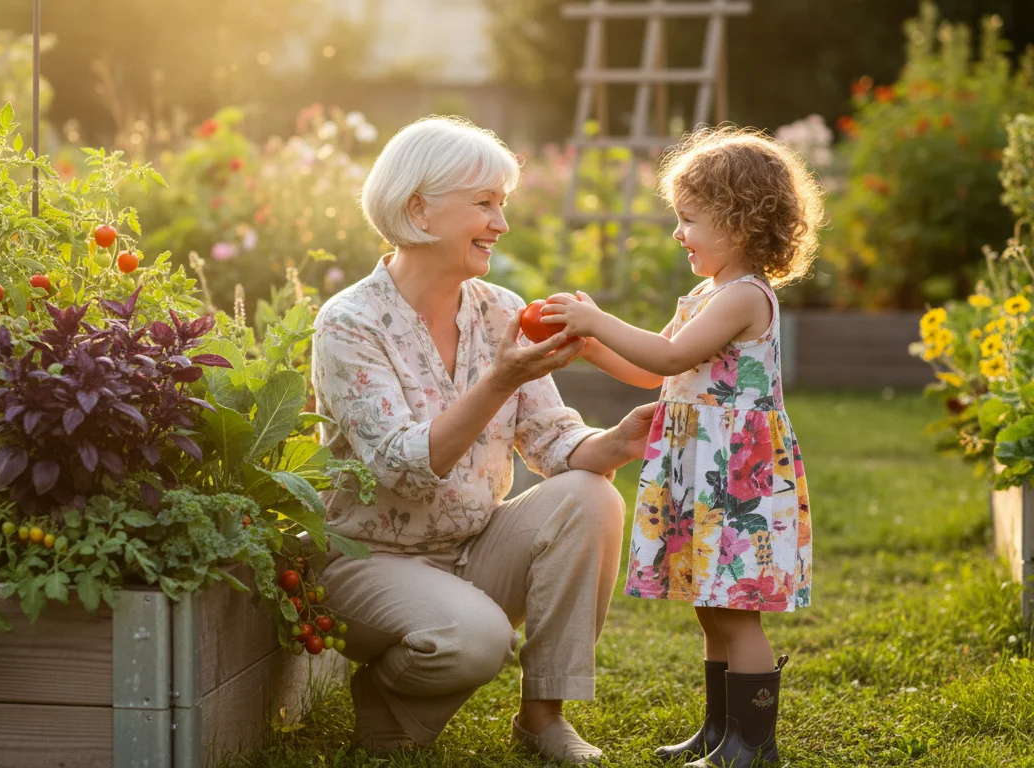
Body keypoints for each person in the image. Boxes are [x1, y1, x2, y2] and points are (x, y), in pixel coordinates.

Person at [311, 115, 656, 765]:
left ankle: (542, 716)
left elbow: (552, 439)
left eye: (503, 204)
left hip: (471, 545)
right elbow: (399, 468)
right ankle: (385, 694)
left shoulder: (500, 309)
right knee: (477, 639)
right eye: (484, 204)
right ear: (419, 208)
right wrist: (499, 381)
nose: (500, 223)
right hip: (369, 558)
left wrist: (617, 441)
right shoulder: (350, 324)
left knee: (593, 496)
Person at [539, 125, 827, 768]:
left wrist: (598, 319)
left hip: (738, 479)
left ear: (739, 223)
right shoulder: (703, 295)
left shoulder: (744, 297)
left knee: (737, 613)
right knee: (710, 607)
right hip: (706, 470)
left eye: (689, 219)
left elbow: (671, 352)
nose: (678, 233)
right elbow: (655, 371)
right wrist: (592, 344)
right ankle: (720, 733)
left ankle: (754, 747)